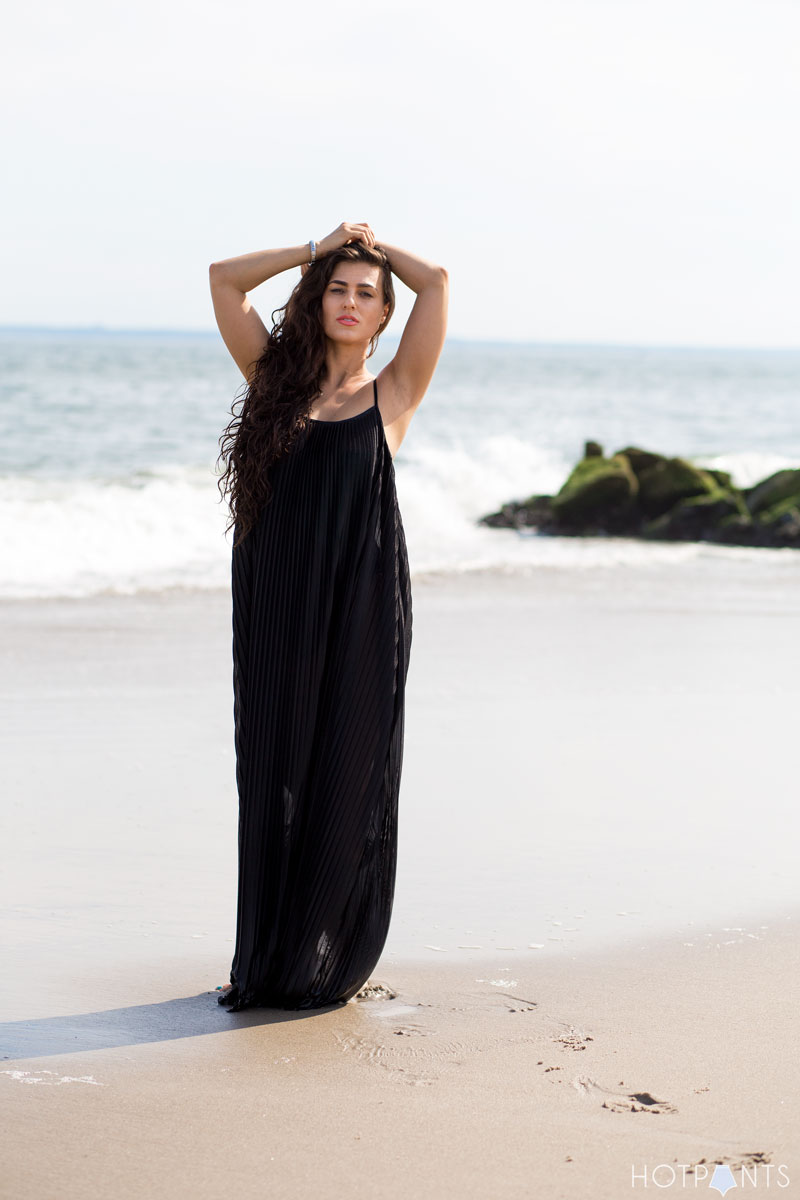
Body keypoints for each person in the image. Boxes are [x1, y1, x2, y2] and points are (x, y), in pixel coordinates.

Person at [209, 221, 448, 1010]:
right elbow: (223, 280)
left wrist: (381, 249)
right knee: (273, 771)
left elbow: (437, 282)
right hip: (276, 603)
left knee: (347, 765)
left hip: (359, 604)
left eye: (367, 295)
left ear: (384, 316)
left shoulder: (393, 393)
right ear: (317, 303)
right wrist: (315, 249)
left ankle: (326, 956)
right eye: (338, 290)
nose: (351, 303)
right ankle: (269, 957)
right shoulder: (270, 380)